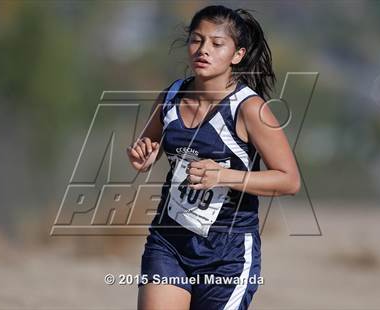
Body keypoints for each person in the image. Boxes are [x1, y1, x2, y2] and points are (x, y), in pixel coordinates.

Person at [126, 5, 300, 310]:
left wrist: (223, 176)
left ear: (237, 55)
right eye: (196, 40)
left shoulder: (249, 109)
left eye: (217, 44)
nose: (203, 50)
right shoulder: (171, 97)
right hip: (170, 241)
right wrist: (143, 159)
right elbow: (148, 147)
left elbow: (289, 180)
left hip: (228, 254)